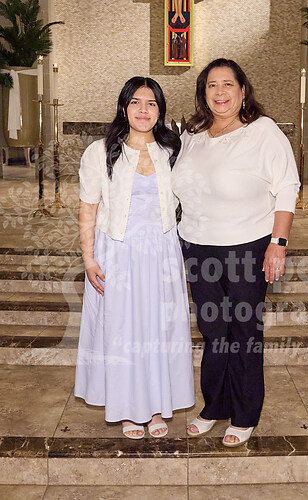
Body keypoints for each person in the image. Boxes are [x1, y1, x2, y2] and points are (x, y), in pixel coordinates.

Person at [171, 58, 300, 447]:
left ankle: (244, 414)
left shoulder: (263, 131)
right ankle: (215, 406)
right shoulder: (193, 134)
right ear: (203, 93)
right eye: (212, 85)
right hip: (198, 248)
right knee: (213, 332)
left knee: (243, 332)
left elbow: (287, 186)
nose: (220, 92)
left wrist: (278, 244)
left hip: (247, 247)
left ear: (243, 91)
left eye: (228, 84)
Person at [74, 76, 195, 440]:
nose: (144, 110)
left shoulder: (173, 150)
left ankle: (156, 407)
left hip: (162, 251)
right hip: (117, 251)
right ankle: (127, 409)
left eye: (152, 103)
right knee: (122, 330)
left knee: (159, 329)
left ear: (161, 110)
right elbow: (88, 208)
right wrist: (89, 259)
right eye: (136, 103)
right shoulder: (99, 152)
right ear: (124, 107)